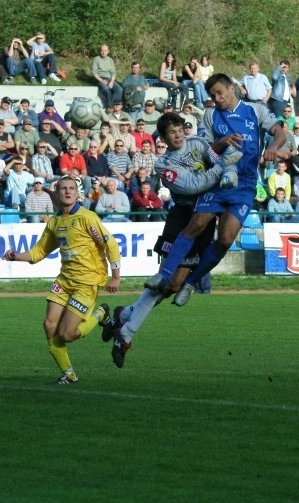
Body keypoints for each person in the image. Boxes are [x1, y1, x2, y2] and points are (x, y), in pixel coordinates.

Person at [145, 73, 285, 306]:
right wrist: (223, 142)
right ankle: (165, 273)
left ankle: (192, 282)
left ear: (232, 88)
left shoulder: (255, 110)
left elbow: (280, 132)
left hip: (245, 185)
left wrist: (273, 147)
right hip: (217, 181)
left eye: (220, 92)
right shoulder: (210, 115)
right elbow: (204, 149)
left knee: (226, 239)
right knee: (197, 223)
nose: (217, 98)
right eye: (213, 95)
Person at [103, 112, 226, 367]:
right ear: (164, 137)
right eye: (172, 132)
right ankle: (125, 334)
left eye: (180, 128)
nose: (178, 134)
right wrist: (222, 173)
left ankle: (122, 316)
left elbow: (217, 161)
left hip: (204, 219)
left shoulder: (199, 145)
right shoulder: (163, 164)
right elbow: (193, 185)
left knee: (172, 287)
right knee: (164, 281)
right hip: (182, 220)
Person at [2, 175, 120, 384]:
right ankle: (69, 374)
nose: (67, 192)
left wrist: (115, 277)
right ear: (56, 193)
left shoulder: (87, 218)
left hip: (86, 282)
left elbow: (110, 244)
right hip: (64, 281)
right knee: (49, 325)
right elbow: (39, 252)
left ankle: (100, 314)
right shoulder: (55, 222)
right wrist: (16, 256)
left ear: (77, 193)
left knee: (66, 334)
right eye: (63, 188)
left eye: (71, 189)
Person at [91, 45, 122, 109]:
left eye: (105, 51)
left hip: (109, 79)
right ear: (100, 51)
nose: (103, 52)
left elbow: (113, 72)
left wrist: (112, 82)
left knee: (120, 89)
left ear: (108, 51)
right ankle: (110, 107)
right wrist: (101, 80)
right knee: (106, 89)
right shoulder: (96, 59)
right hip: (100, 79)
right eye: (102, 50)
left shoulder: (110, 60)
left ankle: (114, 105)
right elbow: (94, 72)